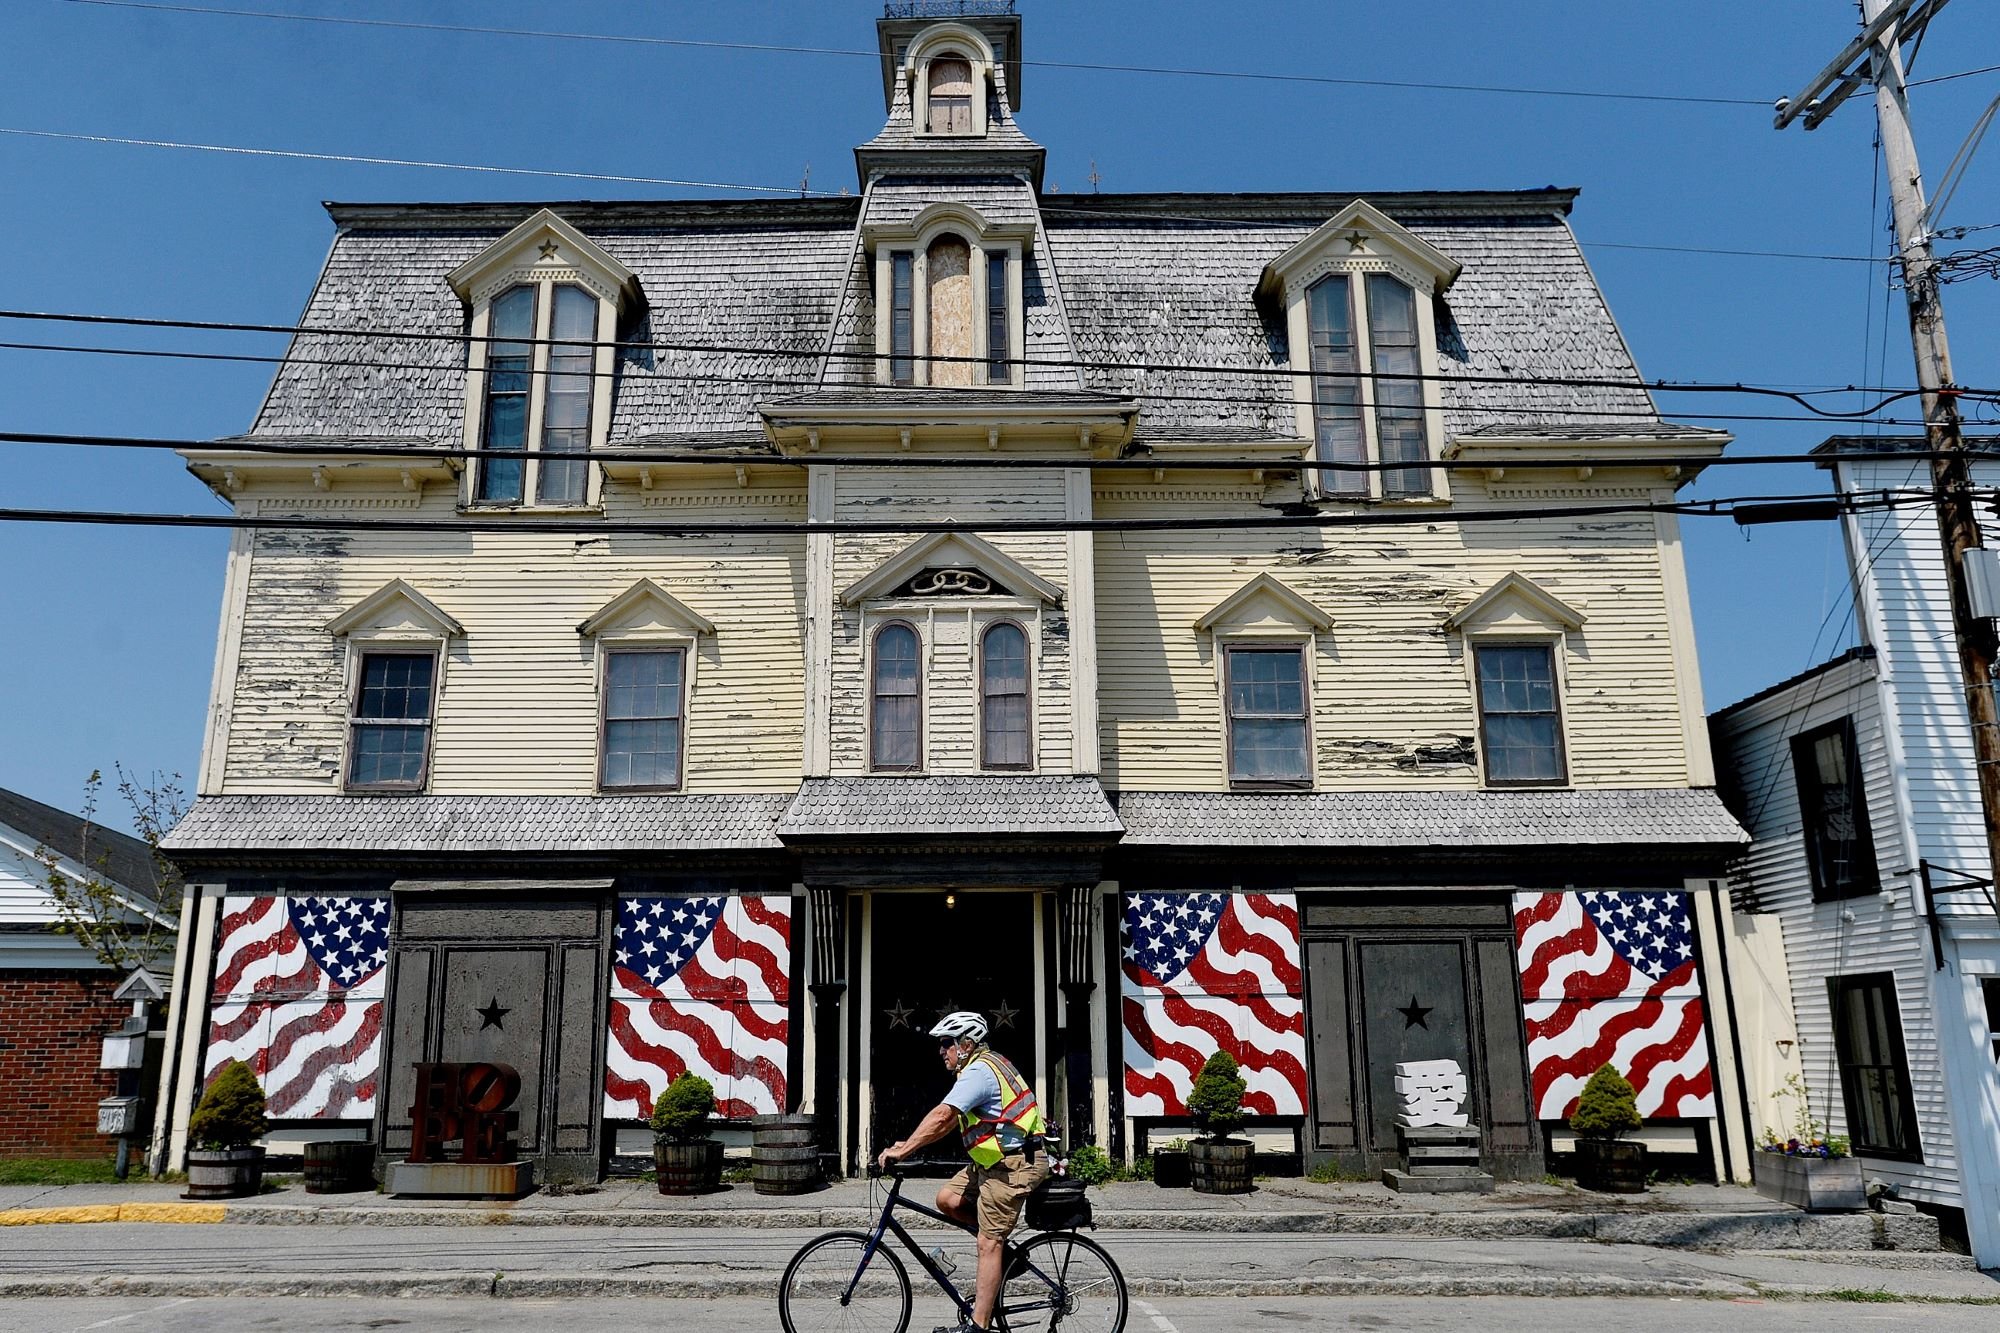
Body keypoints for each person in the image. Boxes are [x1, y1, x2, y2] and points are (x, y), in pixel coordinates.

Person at [877, 1010, 1049, 1333]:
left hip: (1013, 1165)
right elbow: (949, 1123)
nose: (941, 1051)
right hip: (991, 1164)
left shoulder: (979, 1073)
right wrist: (909, 1142)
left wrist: (903, 1150)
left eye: (946, 1044)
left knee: (987, 1242)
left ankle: (979, 1326)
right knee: (947, 1199)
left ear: (967, 1044)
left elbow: (943, 1116)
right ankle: (1005, 1255)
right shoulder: (976, 1069)